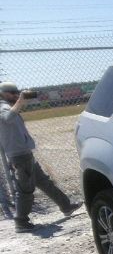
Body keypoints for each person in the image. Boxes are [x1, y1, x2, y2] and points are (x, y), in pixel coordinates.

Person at [0, 81, 80, 233]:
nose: (16, 95)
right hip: (19, 156)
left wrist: (19, 100)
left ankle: (66, 206)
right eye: (13, 93)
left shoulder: (7, 105)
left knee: (44, 182)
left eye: (17, 93)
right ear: (4, 93)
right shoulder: (2, 106)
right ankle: (21, 222)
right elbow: (8, 118)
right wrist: (21, 99)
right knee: (25, 189)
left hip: (24, 154)